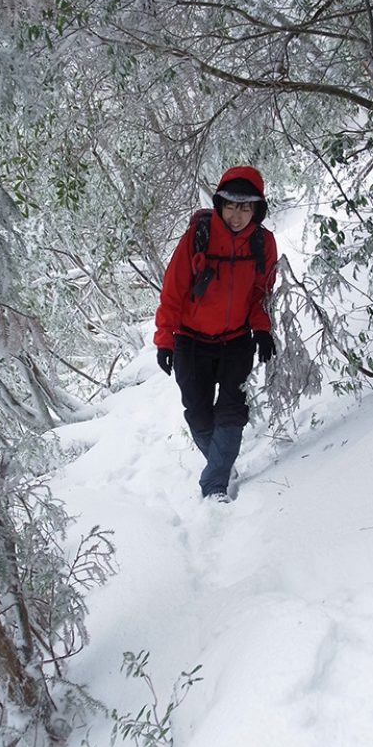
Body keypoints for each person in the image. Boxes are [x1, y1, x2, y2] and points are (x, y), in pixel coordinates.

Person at [154, 166, 278, 502]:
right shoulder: (198, 236)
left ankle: (215, 485)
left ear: (257, 210)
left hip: (236, 340)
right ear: (220, 204)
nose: (237, 216)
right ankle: (221, 463)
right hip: (191, 341)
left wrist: (262, 329)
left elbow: (260, 294)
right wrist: (165, 339)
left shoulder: (262, 243)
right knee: (197, 412)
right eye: (231, 207)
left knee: (232, 409)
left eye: (246, 208)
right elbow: (173, 290)